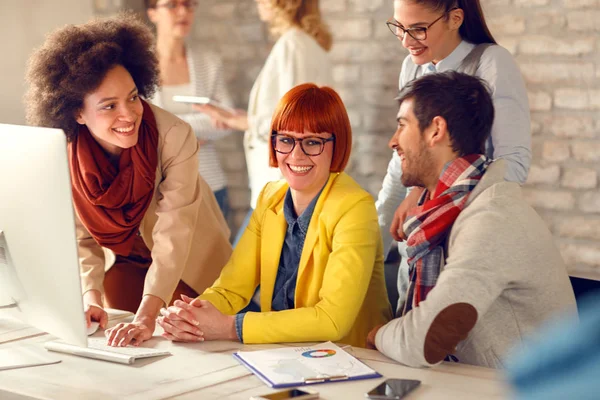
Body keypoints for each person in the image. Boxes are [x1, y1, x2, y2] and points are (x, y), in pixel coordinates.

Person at [25, 14, 232, 347]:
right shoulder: (65, 150)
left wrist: (148, 315)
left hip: (186, 260)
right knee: (112, 347)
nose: (129, 114)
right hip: (122, 261)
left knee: (188, 346)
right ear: (77, 113)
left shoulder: (175, 135)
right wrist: (90, 296)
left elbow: (174, 233)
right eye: (109, 106)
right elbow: (81, 235)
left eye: (133, 97)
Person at [157, 84, 393, 348]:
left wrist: (230, 327)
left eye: (313, 142)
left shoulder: (355, 207)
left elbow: (332, 320)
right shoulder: (271, 196)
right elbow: (232, 288)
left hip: (352, 359)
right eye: (286, 140)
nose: (296, 154)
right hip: (282, 353)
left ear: (336, 145)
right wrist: (193, 316)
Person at [367, 72, 575, 368]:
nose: (393, 141)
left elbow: (424, 340)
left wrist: (378, 336)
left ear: (435, 129)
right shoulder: (437, 213)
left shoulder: (492, 218)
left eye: (402, 126)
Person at [376, 0, 532, 310]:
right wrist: (374, 246)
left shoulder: (491, 63)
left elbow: (512, 165)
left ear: (455, 18)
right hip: (417, 234)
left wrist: (427, 194)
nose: (407, 41)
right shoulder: (412, 66)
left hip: (467, 236)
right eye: (399, 28)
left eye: (418, 29)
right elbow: (403, 158)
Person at [198, 0, 334, 243]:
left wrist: (241, 122)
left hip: (280, 187)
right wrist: (244, 119)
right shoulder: (306, 44)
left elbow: (294, 124)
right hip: (288, 185)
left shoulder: (291, 45)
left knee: (240, 271)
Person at [145, 0, 235, 221]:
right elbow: (141, 126)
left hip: (209, 182)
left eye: (188, 4)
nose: (183, 11)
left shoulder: (209, 63)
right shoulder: (139, 67)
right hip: (159, 187)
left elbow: (228, 119)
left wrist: (168, 132)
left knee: (217, 255)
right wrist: (196, 131)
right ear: (152, 13)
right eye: (172, 5)